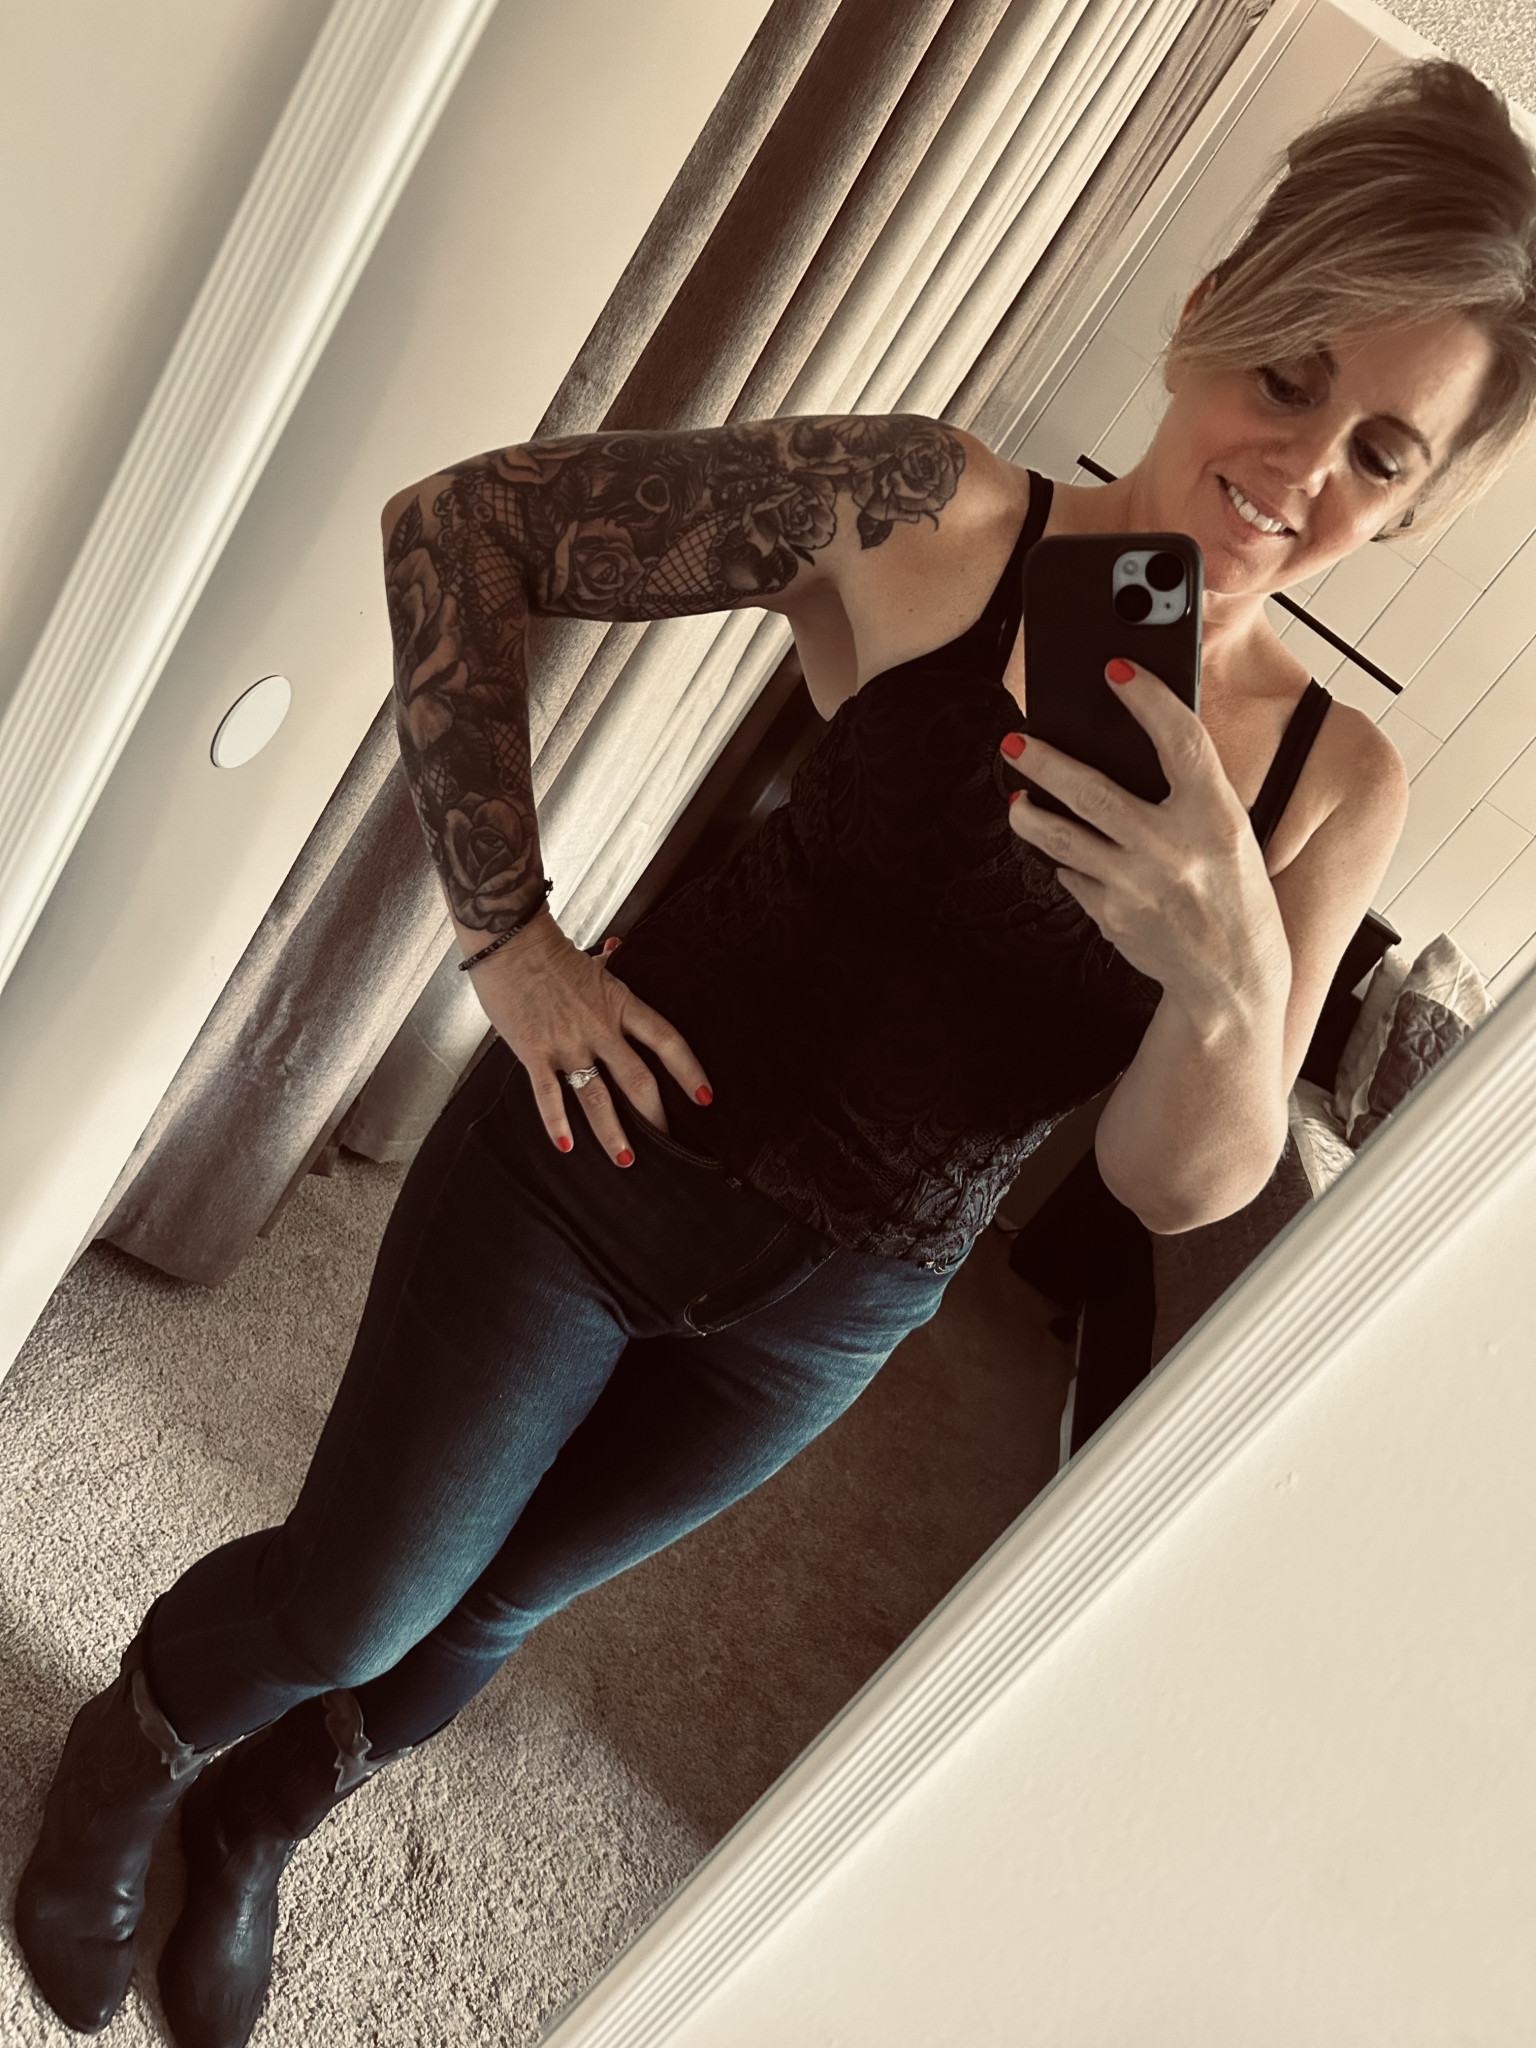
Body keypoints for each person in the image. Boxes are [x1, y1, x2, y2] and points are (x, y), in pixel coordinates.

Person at [16, 56, 1535, 2048]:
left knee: (498, 1608)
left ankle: (262, 1822)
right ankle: (132, 1757)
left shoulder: (1336, 783)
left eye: (1381, 453)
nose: (1303, 469)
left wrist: (1233, 974)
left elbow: (1169, 1185)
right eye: (1289, 373)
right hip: (589, 1163)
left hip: (837, 1311)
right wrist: (513, 941)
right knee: (365, 1594)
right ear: (1203, 316)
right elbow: (463, 530)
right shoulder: (931, 510)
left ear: (1426, 501)